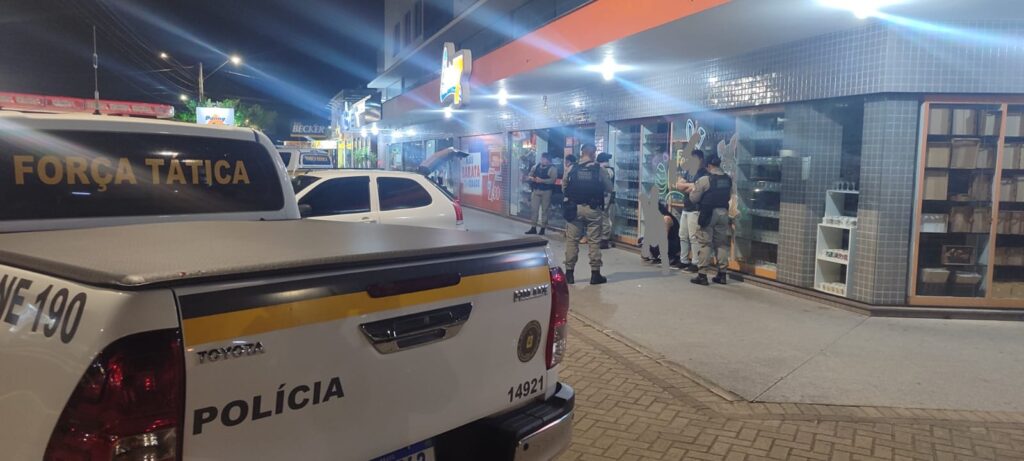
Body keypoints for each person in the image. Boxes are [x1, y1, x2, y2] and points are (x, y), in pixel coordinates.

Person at [563, 143, 613, 285]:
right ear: (593, 154)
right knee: (594, 241)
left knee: (572, 241)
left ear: (581, 153)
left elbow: (564, 187)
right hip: (593, 209)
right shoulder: (599, 170)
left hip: (574, 209)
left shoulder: (571, 168)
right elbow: (609, 188)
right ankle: (595, 274)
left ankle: (569, 274)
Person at [687, 153, 732, 286]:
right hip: (724, 213)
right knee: (721, 244)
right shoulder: (728, 179)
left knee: (705, 244)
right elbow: (729, 196)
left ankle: (702, 275)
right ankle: (722, 275)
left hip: (708, 214)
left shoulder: (705, 180)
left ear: (708, 166)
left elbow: (693, 198)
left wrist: (692, 190)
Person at [674, 150, 708, 272]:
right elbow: (678, 185)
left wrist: (688, 186)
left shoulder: (704, 174)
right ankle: (683, 260)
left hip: (696, 209)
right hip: (686, 207)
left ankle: (695, 262)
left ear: (701, 160)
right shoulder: (690, 172)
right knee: (682, 235)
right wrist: (691, 185)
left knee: (694, 237)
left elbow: (696, 189)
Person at [525, 153, 558, 235]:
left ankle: (543, 228)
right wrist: (532, 178)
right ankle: (533, 227)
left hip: (546, 191)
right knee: (534, 210)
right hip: (536, 190)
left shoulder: (552, 168)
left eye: (544, 159)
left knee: (545, 210)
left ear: (548, 160)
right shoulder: (536, 166)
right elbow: (529, 175)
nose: (542, 160)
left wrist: (542, 181)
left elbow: (553, 180)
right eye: (542, 158)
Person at [595, 152, 616, 249]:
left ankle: (605, 239)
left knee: (604, 215)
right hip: (605, 196)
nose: (608, 161)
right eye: (607, 160)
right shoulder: (608, 169)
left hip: (605, 196)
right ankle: (605, 238)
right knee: (604, 216)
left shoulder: (605, 170)